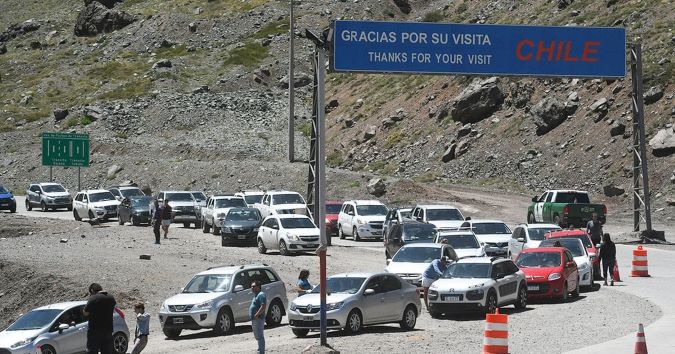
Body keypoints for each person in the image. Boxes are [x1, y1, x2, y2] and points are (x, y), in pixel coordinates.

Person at [83, 283, 116, 354]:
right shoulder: (111, 298)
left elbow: (85, 312)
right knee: (106, 351)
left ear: (92, 290)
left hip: (95, 331)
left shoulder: (93, 298)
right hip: (108, 330)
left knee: (92, 351)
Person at [249, 281, 266, 354]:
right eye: (251, 286)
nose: (252, 288)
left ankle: (261, 352)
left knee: (260, 336)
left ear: (258, 286)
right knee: (257, 336)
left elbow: (263, 306)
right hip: (255, 319)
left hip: (258, 318)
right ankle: (260, 350)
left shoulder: (261, 294)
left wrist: (257, 314)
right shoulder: (256, 295)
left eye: (254, 286)